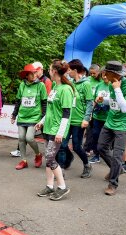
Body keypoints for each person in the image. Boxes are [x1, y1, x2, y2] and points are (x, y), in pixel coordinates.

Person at [35, 59, 74, 201]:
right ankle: (50, 186)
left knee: (51, 158)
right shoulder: (55, 88)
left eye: (50, 70)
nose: (48, 72)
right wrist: (41, 122)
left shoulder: (66, 90)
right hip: (48, 128)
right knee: (48, 157)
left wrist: (60, 132)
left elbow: (66, 113)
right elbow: (51, 110)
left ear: (55, 72)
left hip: (57, 130)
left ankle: (62, 187)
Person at [97, 61, 126, 195]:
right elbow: (115, 102)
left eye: (106, 72)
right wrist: (104, 100)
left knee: (117, 155)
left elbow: (125, 108)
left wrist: (117, 89)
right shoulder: (111, 85)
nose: (104, 74)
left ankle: (113, 184)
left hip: (123, 125)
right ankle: (117, 169)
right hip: (110, 122)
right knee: (101, 147)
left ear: (114, 74)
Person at [56, 59, 93, 178]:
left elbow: (89, 103)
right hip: (67, 120)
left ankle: (87, 164)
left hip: (79, 121)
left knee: (77, 146)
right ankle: (61, 170)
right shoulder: (69, 82)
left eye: (70, 70)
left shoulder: (86, 83)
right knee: (62, 145)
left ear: (75, 70)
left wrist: (86, 119)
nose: (68, 72)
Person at [10, 61, 51, 158]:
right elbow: (18, 101)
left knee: (29, 138)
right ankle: (23, 160)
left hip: (34, 117)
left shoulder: (41, 85)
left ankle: (38, 154)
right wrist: (14, 115)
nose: (35, 75)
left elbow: (45, 102)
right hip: (22, 116)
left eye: (35, 73)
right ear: (27, 75)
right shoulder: (22, 85)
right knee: (21, 138)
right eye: (32, 73)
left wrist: (42, 117)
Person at [89, 69, 110, 164]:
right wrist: (90, 113)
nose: (104, 77)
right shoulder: (99, 85)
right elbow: (93, 100)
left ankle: (107, 157)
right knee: (95, 135)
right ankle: (96, 155)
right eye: (103, 75)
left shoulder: (113, 86)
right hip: (97, 116)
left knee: (106, 139)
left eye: (106, 75)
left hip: (108, 117)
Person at [83, 64, 102, 156]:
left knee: (96, 131)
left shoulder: (102, 81)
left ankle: (96, 149)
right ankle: (87, 148)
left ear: (99, 72)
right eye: (90, 73)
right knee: (89, 129)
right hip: (89, 107)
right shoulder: (88, 80)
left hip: (100, 109)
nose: (92, 75)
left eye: (94, 73)